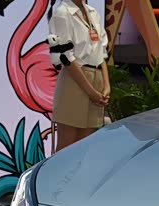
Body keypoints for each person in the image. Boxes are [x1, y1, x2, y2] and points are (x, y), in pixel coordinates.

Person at [48, 0, 110, 151]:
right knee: (67, 148)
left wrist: (106, 85)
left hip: (97, 78)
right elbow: (66, 57)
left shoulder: (93, 13)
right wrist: (91, 92)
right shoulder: (62, 13)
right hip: (75, 80)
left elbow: (101, 52)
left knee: (85, 147)